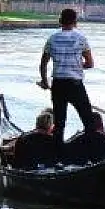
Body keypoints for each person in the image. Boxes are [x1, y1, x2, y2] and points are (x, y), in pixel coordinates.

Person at [38, 8, 95, 161]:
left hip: (58, 85)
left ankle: (57, 159)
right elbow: (90, 63)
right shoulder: (81, 38)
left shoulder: (52, 38)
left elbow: (43, 64)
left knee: (59, 123)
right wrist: (76, 65)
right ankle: (92, 156)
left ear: (60, 21)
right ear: (75, 22)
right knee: (88, 121)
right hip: (75, 85)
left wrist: (44, 81)